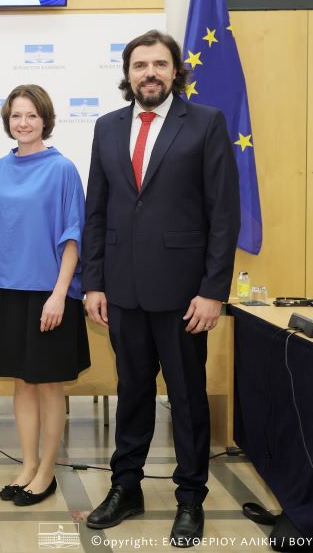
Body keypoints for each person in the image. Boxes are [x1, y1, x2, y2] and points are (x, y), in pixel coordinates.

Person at [81, 30, 240, 547]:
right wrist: (93, 283)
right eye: (140, 65)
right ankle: (126, 487)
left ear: (175, 71)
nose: (149, 73)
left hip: (184, 295)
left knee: (189, 400)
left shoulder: (206, 123)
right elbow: (96, 211)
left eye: (159, 64)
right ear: (128, 73)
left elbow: (223, 214)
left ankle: (190, 498)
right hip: (122, 293)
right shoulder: (106, 127)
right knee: (132, 393)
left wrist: (213, 291)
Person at [0, 84, 89, 507]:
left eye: (31, 115)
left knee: (49, 386)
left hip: (49, 294)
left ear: (45, 120)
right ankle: (27, 465)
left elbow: (73, 237)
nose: (23, 123)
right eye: (16, 116)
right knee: (21, 383)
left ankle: (47, 472)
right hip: (7, 292)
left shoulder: (63, 169)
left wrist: (60, 295)